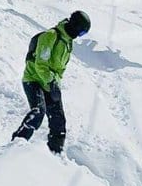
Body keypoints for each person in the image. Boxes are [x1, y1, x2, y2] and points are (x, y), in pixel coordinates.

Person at [11, 11, 91, 154]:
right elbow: (40, 64)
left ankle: (55, 154)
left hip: (49, 84)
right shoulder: (51, 36)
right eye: (82, 32)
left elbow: (60, 69)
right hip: (33, 80)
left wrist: (56, 84)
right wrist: (51, 82)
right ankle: (16, 145)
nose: (80, 36)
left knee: (59, 121)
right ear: (75, 25)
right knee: (38, 111)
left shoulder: (68, 43)